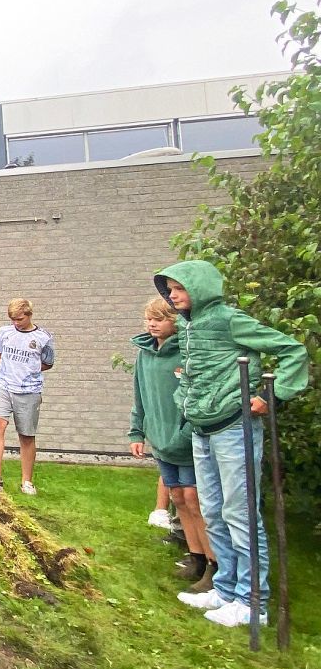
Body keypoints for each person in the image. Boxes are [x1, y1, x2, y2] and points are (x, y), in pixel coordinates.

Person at [157, 261, 308, 627]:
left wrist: (272, 396)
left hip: (233, 427)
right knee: (213, 512)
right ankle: (225, 589)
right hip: (202, 429)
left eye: (179, 289)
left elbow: (292, 350)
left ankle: (253, 601)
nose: (172, 296)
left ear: (201, 287)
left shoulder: (229, 320)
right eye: (171, 289)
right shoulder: (190, 326)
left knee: (240, 514)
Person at [127, 297, 216, 592]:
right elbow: (140, 395)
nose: (152, 324)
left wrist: (184, 433)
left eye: (160, 319)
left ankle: (216, 567)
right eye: (148, 319)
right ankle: (196, 558)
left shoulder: (186, 354)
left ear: (175, 321)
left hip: (186, 439)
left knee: (194, 498)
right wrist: (137, 432)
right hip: (161, 439)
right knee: (177, 497)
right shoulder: (144, 354)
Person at [0, 299, 55, 495]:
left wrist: (28, 370)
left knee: (26, 436)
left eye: (19, 319)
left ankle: (27, 482)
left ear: (29, 315)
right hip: (2, 385)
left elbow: (48, 363)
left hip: (29, 390)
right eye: (12, 319)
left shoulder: (43, 338)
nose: (16, 323)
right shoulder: (4, 332)